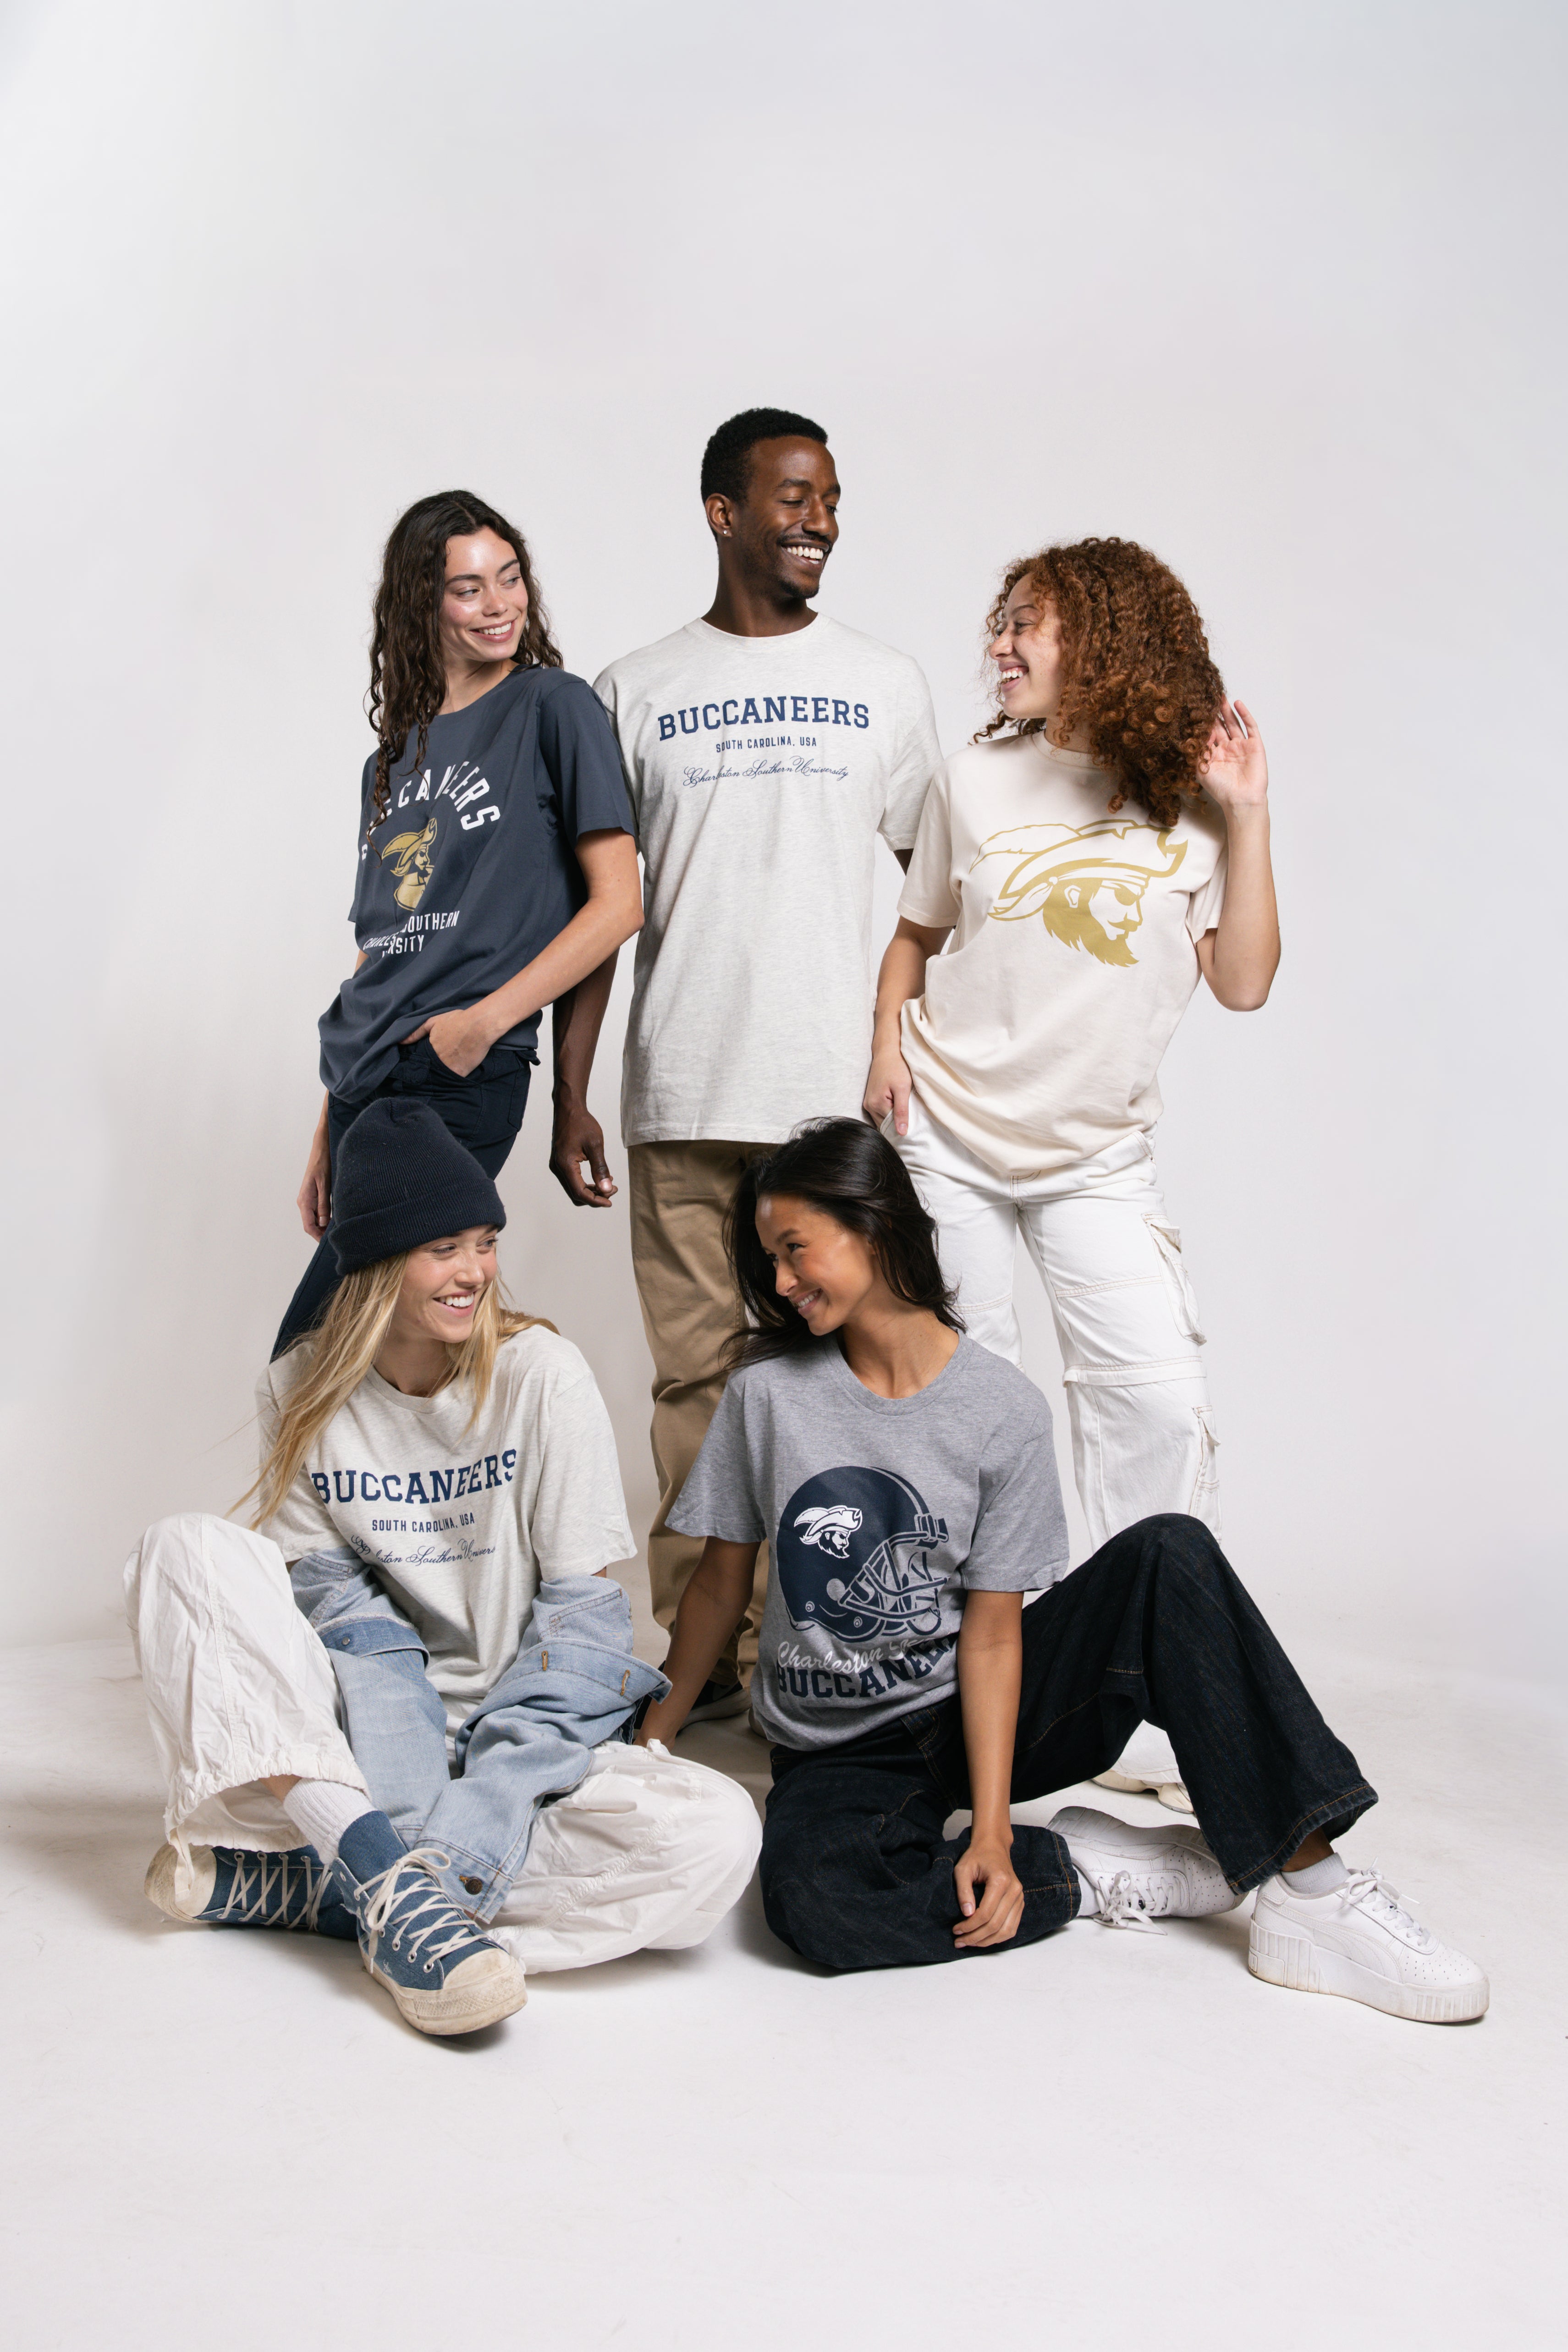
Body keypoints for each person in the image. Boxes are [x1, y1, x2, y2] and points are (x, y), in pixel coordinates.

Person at [635, 1120, 1487, 2022]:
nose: (779, 1282)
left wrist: (994, 1829)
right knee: (815, 1906)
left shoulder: (999, 1408)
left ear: (874, 1223)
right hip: (838, 1750)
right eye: (768, 1258)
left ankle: (1311, 1892)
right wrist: (657, 1737)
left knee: (1169, 1550)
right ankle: (1085, 1868)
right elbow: (721, 1585)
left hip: (974, 1704)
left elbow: (997, 1630)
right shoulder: (768, 1396)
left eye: (795, 1249)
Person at [128, 1100, 760, 2039]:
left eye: (484, 1242)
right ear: (378, 1259)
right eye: (443, 1250)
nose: (474, 1273)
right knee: (183, 1550)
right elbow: (342, 1617)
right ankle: (398, 1884)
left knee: (716, 1838)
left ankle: (355, 1887)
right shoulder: (298, 1387)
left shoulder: (543, 1375)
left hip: (524, 1739)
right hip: (358, 1738)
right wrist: (409, 1789)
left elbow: (582, 1627)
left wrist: (474, 1814)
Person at [863, 538, 1280, 1808]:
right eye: (999, 622)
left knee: (1150, 1399)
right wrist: (881, 1042)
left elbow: (1245, 980)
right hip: (950, 1132)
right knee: (976, 1409)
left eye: (1025, 624)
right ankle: (998, 1685)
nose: (998, 645)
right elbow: (912, 934)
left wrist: (1251, 812)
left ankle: (1137, 1669)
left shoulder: (1194, 797)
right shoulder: (971, 778)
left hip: (1094, 1152)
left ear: (1101, 639)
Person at [572, 408, 941, 1714]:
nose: (818, 520)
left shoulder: (886, 683)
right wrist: (572, 1090)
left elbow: (927, 900)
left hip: (829, 1111)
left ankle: (833, 1646)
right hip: (679, 1091)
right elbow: (603, 910)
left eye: (830, 498)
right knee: (694, 1387)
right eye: (790, 496)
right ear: (722, 510)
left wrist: (898, 1048)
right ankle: (704, 1659)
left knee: (843, 1385)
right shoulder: (633, 689)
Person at [275, 489, 643, 1356]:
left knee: (317, 1348)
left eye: (510, 579)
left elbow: (615, 908)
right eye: (468, 589)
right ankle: (418, 1495)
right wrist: (331, 1126)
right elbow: (381, 954)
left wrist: (496, 1035)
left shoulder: (555, 708)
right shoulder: (389, 758)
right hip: (365, 1084)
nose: (501, 604)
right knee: (381, 1346)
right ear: (421, 604)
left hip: (459, 1073)